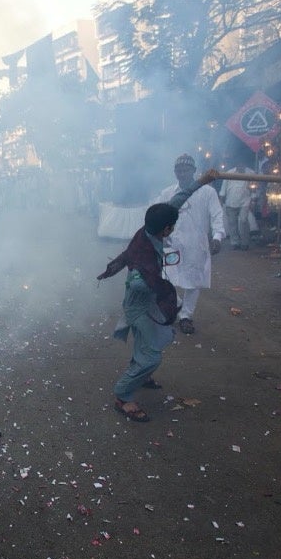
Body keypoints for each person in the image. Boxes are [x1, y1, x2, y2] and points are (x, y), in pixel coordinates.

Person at [98, 170, 218, 421]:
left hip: (148, 300)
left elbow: (178, 198)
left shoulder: (152, 227)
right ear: (166, 228)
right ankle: (123, 395)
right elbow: (141, 283)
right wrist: (168, 297)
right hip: (140, 304)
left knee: (149, 341)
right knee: (152, 356)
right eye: (172, 227)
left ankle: (141, 374)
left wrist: (203, 181)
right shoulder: (144, 258)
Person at [154, 154, 225, 335]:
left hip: (196, 245)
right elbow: (157, 215)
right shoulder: (167, 193)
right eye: (179, 170)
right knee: (164, 279)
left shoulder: (207, 192)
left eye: (186, 170)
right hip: (172, 244)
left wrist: (217, 236)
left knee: (193, 282)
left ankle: (186, 316)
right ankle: (178, 307)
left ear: (194, 171)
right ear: (175, 172)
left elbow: (217, 215)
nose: (182, 173)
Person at [219, 160, 255, 250]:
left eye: (242, 164)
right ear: (236, 164)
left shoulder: (251, 173)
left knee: (243, 221)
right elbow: (223, 188)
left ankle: (245, 242)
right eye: (239, 164)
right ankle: (235, 242)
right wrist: (221, 199)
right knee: (232, 223)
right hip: (230, 201)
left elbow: (254, 188)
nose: (241, 166)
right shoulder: (229, 173)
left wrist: (253, 200)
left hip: (245, 201)